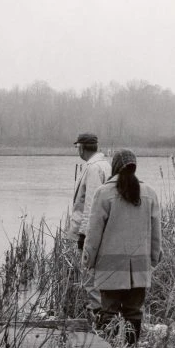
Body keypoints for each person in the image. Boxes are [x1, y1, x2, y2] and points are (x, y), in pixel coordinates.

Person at [82, 149, 162, 348]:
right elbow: (156, 233)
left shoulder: (103, 193)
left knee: (108, 312)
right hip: (139, 268)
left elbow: (93, 233)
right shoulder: (150, 193)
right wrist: (153, 259)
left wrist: (88, 259)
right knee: (134, 313)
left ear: (115, 167)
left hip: (110, 268)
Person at [66, 133, 112, 313]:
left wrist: (84, 234)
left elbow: (92, 204)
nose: (77, 150)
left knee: (89, 276)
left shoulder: (93, 168)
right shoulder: (105, 165)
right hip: (103, 230)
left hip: (92, 233)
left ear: (81, 147)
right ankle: (106, 314)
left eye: (77, 147)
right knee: (99, 276)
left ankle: (98, 316)